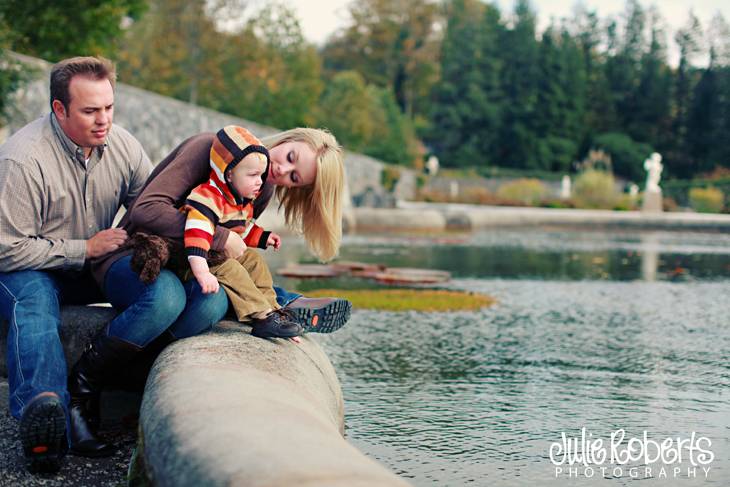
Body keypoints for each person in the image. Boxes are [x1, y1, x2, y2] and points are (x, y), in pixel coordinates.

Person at [0, 56, 174, 471]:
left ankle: (83, 386)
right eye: (90, 111)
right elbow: (6, 249)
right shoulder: (22, 160)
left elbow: (150, 210)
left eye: (109, 108)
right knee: (35, 305)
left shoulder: (125, 146)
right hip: (27, 269)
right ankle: (45, 420)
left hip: (93, 265)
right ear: (59, 109)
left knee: (164, 295)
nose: (104, 121)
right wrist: (84, 248)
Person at [181, 125, 301, 338]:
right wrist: (202, 273)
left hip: (214, 257)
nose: (259, 181)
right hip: (189, 262)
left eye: (261, 175)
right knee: (232, 270)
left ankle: (273, 310)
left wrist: (263, 237)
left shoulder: (240, 200)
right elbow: (196, 236)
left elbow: (241, 230)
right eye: (253, 175)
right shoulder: (208, 196)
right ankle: (261, 315)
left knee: (254, 261)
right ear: (229, 175)